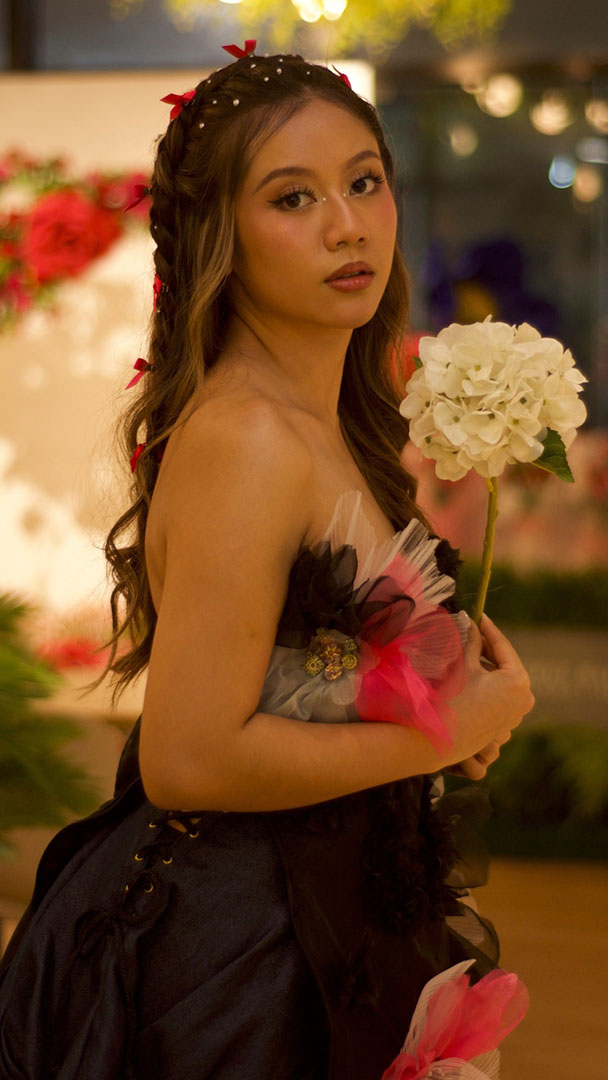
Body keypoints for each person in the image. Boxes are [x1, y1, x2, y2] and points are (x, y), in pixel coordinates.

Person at [0, 44, 534, 1080]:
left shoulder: (329, 421)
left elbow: (306, 685)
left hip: (332, 915)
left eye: (363, 182)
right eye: (292, 198)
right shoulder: (247, 436)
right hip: (238, 953)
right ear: (221, 237)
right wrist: (442, 734)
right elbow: (190, 759)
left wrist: (446, 708)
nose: (347, 225)